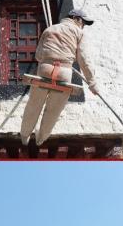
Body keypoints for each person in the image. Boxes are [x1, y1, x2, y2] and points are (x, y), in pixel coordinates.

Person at [19, 8, 98, 146]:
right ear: (76, 19)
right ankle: (41, 138)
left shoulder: (50, 29)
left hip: (45, 68)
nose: (83, 26)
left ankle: (25, 135)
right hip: (64, 72)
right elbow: (84, 59)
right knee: (53, 110)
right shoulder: (79, 33)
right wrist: (92, 83)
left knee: (34, 105)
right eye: (83, 23)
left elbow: (38, 55)